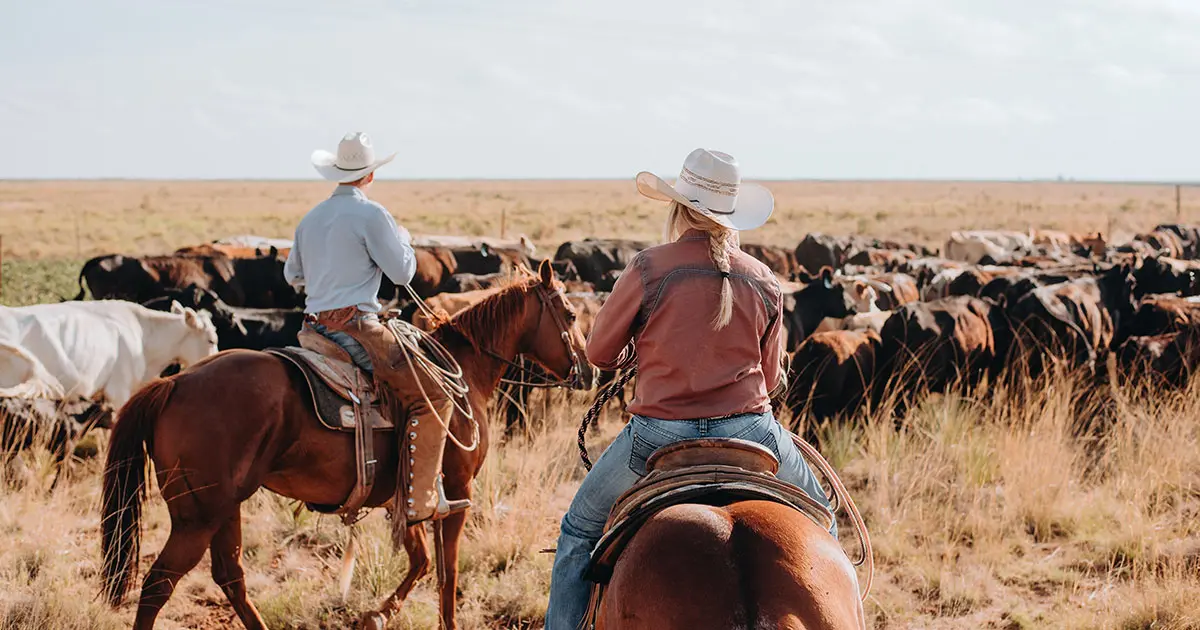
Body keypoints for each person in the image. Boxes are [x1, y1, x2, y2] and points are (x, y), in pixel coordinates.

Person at [545, 148, 835, 628]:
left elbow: (598, 353)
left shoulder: (648, 267)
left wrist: (640, 351)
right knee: (824, 520)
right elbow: (770, 373)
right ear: (731, 213)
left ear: (680, 207)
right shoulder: (763, 278)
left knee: (578, 531)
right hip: (752, 431)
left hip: (658, 436)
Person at [283, 131, 469, 524]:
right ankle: (419, 501)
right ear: (369, 175)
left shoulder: (311, 217)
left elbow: (292, 275)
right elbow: (403, 273)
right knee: (435, 395)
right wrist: (401, 240)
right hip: (357, 329)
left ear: (336, 172)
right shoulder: (372, 214)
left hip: (312, 330)